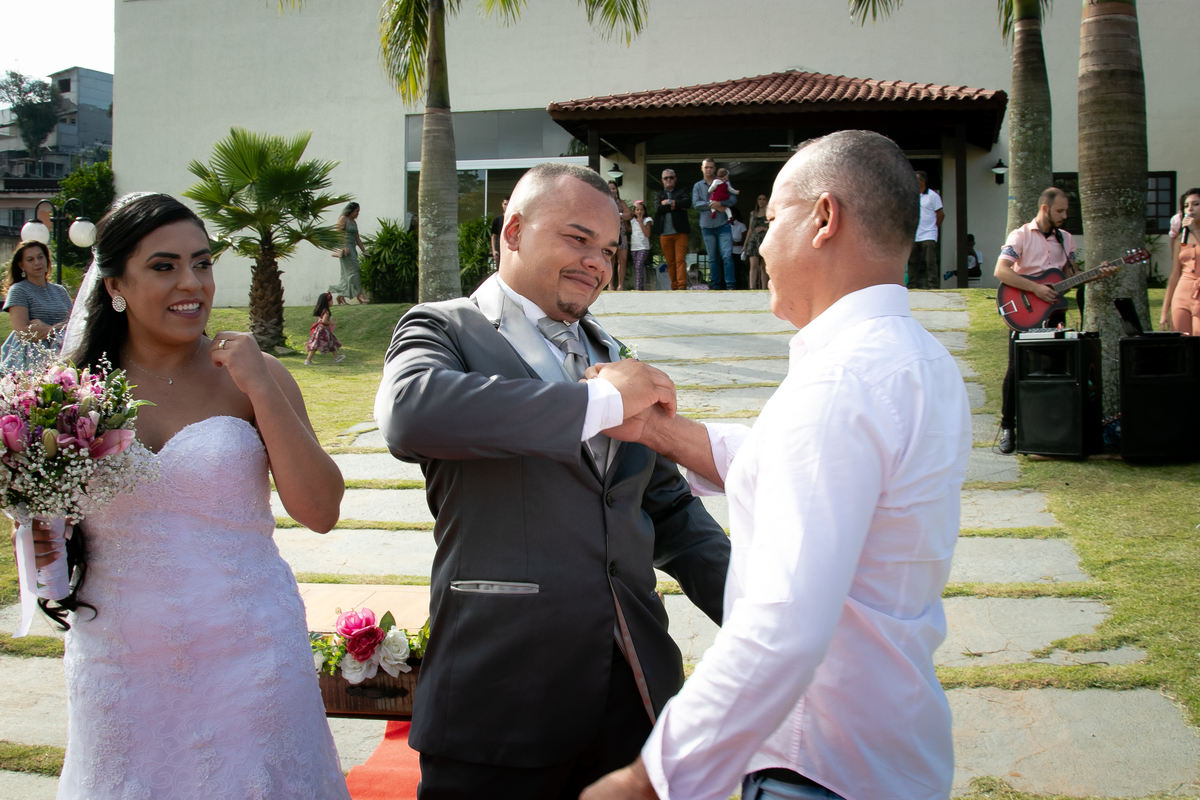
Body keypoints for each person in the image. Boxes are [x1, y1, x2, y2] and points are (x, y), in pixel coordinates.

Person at [581, 130, 973, 800]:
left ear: (824, 219)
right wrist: (657, 430)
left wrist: (648, 780)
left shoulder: (841, 382)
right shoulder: (916, 359)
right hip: (887, 746)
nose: (757, 245)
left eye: (769, 221)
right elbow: (795, 471)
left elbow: (780, 626)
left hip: (819, 761)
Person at [374, 162, 730, 800]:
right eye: (577, 238)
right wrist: (598, 406)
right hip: (501, 691)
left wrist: (765, 612)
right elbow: (410, 414)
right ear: (513, 229)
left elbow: (670, 509)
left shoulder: (613, 355)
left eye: (609, 249)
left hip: (634, 692)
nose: (597, 262)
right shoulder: (444, 329)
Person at [30, 192, 351, 799]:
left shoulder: (250, 374)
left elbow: (321, 511)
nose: (192, 283)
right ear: (116, 284)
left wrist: (260, 385)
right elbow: (46, 527)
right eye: (164, 266)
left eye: (202, 263)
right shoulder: (66, 395)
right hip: (120, 660)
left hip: (252, 657)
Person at [993, 187, 1118, 453]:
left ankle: (1048, 428)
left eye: (1066, 211)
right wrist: (1036, 288)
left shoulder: (1066, 239)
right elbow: (1001, 271)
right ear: (1045, 209)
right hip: (1024, 310)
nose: (1064, 216)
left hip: (1054, 313)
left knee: (1055, 369)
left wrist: (1098, 273)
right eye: (1060, 211)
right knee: (1015, 370)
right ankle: (1008, 428)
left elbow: (1071, 275)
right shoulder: (1020, 235)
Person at [2, 240, 73, 369]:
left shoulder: (60, 291)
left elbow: (73, 325)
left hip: (63, 354)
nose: (37, 262)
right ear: (21, 265)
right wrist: (56, 330)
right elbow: (22, 331)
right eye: (30, 259)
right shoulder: (18, 290)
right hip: (30, 359)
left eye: (40, 257)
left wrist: (47, 328)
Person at [693, 158, 737, 290]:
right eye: (706, 167)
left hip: (723, 224)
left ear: (715, 168)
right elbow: (695, 204)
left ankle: (731, 285)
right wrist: (713, 205)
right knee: (712, 258)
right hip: (707, 226)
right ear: (702, 168)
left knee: (727, 256)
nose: (709, 170)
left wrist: (722, 203)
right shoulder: (698, 186)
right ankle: (716, 286)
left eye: (711, 167)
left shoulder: (724, 181)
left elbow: (733, 198)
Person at [1162, 188, 1200, 335]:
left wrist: (1195, 230)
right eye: (1186, 206)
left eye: (1196, 204)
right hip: (1182, 292)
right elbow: (1174, 274)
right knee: (1181, 342)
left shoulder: (1194, 231)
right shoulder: (1180, 238)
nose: (1190, 209)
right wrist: (1165, 310)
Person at [651, 170, 692, 290]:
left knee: (680, 260)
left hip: (680, 232)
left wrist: (668, 203)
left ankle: (682, 286)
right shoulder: (658, 193)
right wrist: (678, 206)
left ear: (675, 179)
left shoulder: (682, 190)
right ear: (662, 180)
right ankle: (674, 286)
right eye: (666, 178)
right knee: (670, 261)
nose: (668, 180)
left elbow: (687, 203)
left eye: (671, 177)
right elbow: (658, 208)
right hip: (664, 233)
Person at [907, 170, 943, 290]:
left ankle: (933, 285)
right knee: (912, 261)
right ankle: (912, 285)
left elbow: (941, 214)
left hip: (928, 234)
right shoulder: (913, 196)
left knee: (930, 261)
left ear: (922, 181)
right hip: (915, 234)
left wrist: (934, 228)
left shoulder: (933, 196)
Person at [330, 201, 367, 304]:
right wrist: (344, 245)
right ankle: (360, 294)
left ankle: (340, 296)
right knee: (354, 271)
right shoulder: (343, 219)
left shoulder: (354, 222)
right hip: (345, 251)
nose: (357, 214)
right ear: (350, 210)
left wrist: (364, 251)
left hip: (352, 249)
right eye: (356, 211)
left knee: (348, 274)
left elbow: (357, 238)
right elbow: (338, 234)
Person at [607, 180, 634, 291]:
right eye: (610, 188)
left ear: (617, 189)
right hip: (609, 233)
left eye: (614, 188)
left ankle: (620, 286)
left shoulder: (621, 202)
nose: (612, 190)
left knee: (622, 261)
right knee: (610, 260)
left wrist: (618, 215)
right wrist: (621, 217)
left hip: (621, 234)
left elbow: (629, 215)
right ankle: (610, 285)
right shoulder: (604, 202)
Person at [305, 291, 345, 365]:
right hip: (323, 330)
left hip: (319, 329)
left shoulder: (320, 311)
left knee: (328, 342)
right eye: (331, 301)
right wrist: (332, 323)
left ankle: (336, 357)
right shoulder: (326, 311)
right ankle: (308, 360)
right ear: (327, 302)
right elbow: (324, 321)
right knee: (322, 343)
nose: (332, 302)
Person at [744, 193, 770, 290]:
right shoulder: (753, 213)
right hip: (753, 241)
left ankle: (764, 288)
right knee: (753, 265)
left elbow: (773, 227)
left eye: (764, 199)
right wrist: (745, 244)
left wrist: (763, 228)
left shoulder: (769, 213)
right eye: (760, 199)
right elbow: (750, 229)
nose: (761, 201)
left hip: (764, 240)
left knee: (763, 267)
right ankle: (752, 287)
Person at [630, 200, 653, 291]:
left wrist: (640, 222)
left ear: (644, 211)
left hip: (643, 247)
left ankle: (639, 288)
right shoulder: (632, 221)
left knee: (639, 265)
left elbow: (647, 234)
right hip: (634, 247)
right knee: (637, 267)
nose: (639, 212)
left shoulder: (647, 220)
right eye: (637, 210)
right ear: (634, 211)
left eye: (641, 210)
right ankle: (640, 286)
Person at [728, 208, 748, 289]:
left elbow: (745, 240)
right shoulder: (726, 224)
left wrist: (736, 243)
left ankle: (738, 286)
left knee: (737, 270)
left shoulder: (741, 225)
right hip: (728, 251)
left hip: (737, 252)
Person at [491, 197, 510, 268]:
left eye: (509, 204)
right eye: (505, 204)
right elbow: (493, 236)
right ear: (502, 204)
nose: (507, 206)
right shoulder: (497, 219)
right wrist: (494, 250)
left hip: (512, 250)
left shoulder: (515, 218)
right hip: (500, 250)